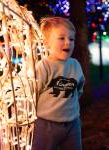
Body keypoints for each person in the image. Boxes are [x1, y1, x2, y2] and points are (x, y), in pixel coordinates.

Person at [32, 16, 85, 150]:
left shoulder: (75, 65)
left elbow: (78, 90)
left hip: (72, 124)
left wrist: (70, 111)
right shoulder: (44, 66)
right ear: (47, 43)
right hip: (46, 125)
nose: (68, 42)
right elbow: (33, 93)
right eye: (62, 38)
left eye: (71, 39)